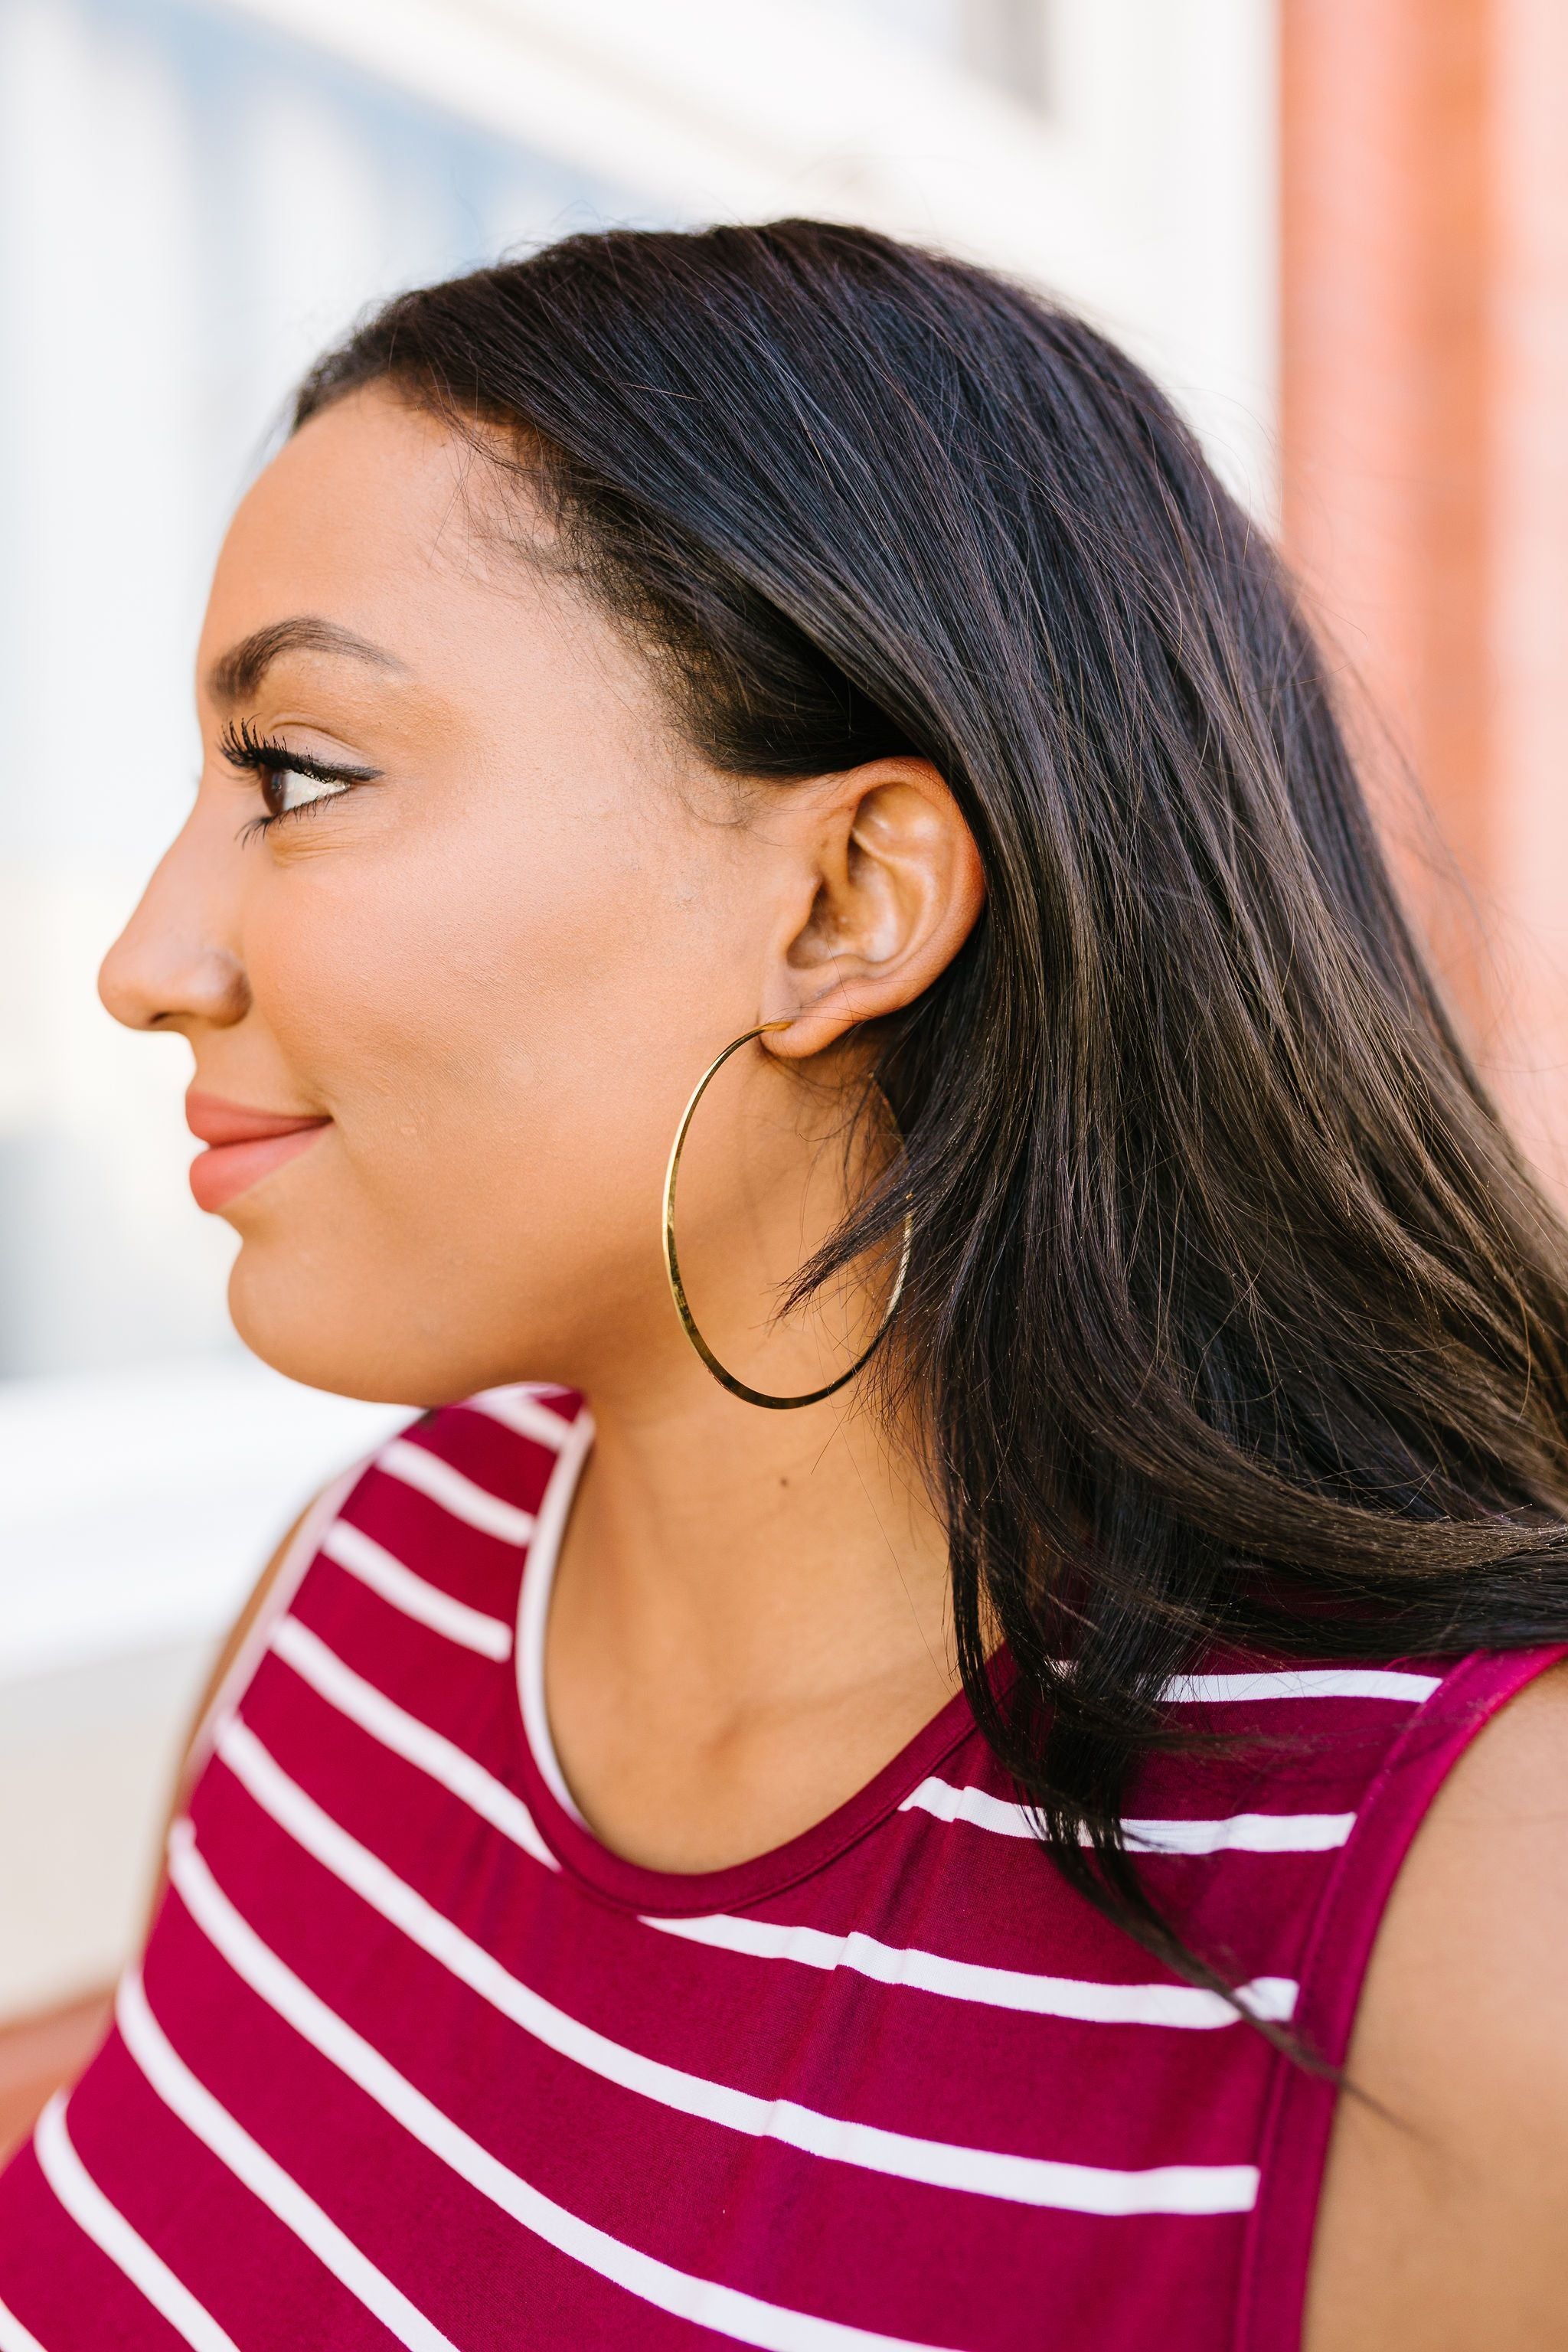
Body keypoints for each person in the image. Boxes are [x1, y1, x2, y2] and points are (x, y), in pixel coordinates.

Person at [3, 220, 1567, 2352]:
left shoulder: (1472, 1922)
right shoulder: (365, 1580)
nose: (145, 959)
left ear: (846, 903)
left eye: (300, 776)